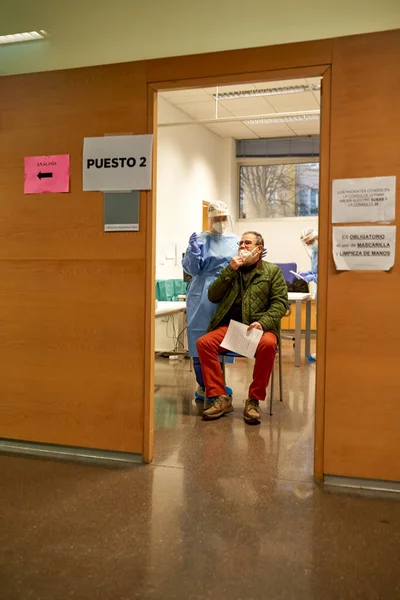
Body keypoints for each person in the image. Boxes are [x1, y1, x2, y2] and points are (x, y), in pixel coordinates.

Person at [196, 231, 288, 424]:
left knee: (269, 344)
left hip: (259, 329)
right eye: (241, 243)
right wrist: (229, 271)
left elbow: (280, 303)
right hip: (232, 330)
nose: (243, 246)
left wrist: (263, 322)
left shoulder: (272, 271)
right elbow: (213, 295)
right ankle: (220, 397)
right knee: (204, 343)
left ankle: (253, 401)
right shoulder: (231, 270)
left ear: (259, 249)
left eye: (248, 243)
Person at [182, 201, 240, 405]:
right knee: (200, 337)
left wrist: (255, 258)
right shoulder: (200, 239)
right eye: (217, 218)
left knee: (222, 339)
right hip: (201, 293)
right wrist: (193, 252)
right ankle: (203, 385)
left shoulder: (236, 240)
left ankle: (217, 382)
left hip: (227, 291)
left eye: (224, 218)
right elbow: (191, 269)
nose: (221, 222)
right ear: (210, 219)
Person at [299, 227, 318, 361]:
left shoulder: (327, 250)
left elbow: (326, 273)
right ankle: (321, 351)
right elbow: (316, 270)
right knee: (320, 321)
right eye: (307, 243)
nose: (310, 245)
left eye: (311, 241)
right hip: (319, 290)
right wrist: (308, 274)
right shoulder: (315, 254)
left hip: (328, 291)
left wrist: (313, 277)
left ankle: (325, 352)